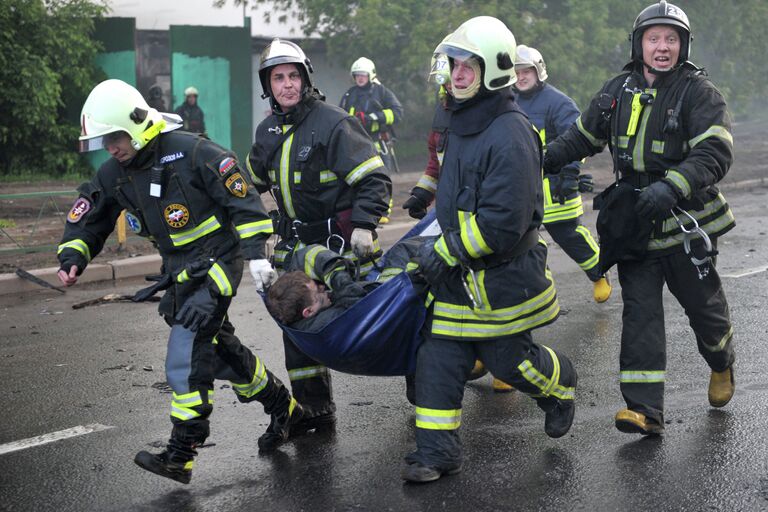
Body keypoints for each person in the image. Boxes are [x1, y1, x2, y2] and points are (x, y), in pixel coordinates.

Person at [58, 79, 301, 484]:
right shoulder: (116, 171)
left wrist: (256, 254)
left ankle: (181, 452)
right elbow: (91, 214)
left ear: (136, 125)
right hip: (179, 274)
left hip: (218, 265)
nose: (110, 147)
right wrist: (73, 255)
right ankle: (284, 408)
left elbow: (245, 206)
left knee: (185, 353)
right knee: (220, 352)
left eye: (115, 137)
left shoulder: (194, 153)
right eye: (103, 140)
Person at [544, 1, 735, 436]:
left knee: (704, 311)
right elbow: (582, 136)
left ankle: (722, 363)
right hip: (636, 225)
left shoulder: (700, 93)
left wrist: (673, 185)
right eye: (654, 39)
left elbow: (715, 151)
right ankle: (645, 410)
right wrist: (544, 157)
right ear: (639, 44)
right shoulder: (617, 89)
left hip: (687, 220)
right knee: (640, 314)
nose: (662, 47)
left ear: (683, 45)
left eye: (671, 39)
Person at [402, 17, 577, 483]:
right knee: (437, 358)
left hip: (501, 276)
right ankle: (435, 454)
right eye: (454, 64)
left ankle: (559, 387)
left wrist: (448, 251)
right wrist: (435, 241)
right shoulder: (461, 120)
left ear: (494, 71)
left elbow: (504, 222)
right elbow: (452, 194)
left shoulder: (511, 132)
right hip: (459, 273)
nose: (457, 75)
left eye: (468, 67)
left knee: (509, 361)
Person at [247, 39, 391, 437]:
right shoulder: (267, 131)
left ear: (306, 78)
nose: (287, 85)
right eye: (278, 77)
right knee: (296, 324)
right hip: (295, 251)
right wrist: (268, 226)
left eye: (294, 76)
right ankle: (314, 409)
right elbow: (251, 184)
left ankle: (419, 376)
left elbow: (374, 179)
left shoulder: (334, 123)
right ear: (268, 84)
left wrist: (365, 226)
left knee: (368, 322)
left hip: (340, 246)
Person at [514, 45, 612, 304]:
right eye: (516, 72)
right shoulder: (505, 102)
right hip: (519, 187)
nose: (521, 76)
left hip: (555, 185)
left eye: (526, 71)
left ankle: (599, 274)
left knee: (568, 236)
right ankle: (534, 294)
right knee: (520, 243)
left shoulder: (557, 102)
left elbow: (576, 141)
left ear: (539, 72)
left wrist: (569, 176)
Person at [339, 57, 404, 223]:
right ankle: (361, 210)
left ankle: (382, 212)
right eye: (357, 75)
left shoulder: (382, 92)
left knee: (382, 177)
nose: (360, 78)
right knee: (358, 178)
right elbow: (340, 116)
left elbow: (397, 113)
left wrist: (374, 117)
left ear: (371, 75)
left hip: (378, 142)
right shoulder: (349, 94)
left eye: (363, 75)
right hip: (356, 143)